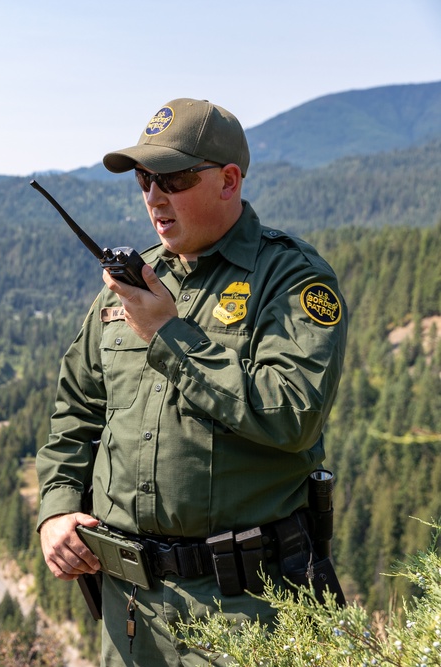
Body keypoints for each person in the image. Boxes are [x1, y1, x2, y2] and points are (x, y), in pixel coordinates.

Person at [36, 98, 348, 665]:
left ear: (229, 180)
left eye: (174, 178)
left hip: (250, 608)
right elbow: (77, 409)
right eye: (143, 178)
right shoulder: (134, 283)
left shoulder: (290, 277)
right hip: (130, 611)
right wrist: (57, 507)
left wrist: (168, 335)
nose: (154, 196)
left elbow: (292, 413)